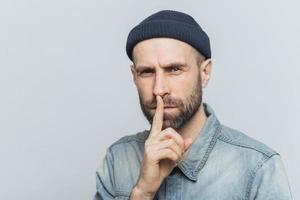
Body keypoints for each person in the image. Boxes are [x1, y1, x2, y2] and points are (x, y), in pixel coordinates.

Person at [93, 10, 293, 199]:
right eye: (147, 72)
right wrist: (142, 193)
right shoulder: (117, 160)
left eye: (174, 69)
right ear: (134, 76)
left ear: (205, 72)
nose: (159, 89)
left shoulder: (258, 168)